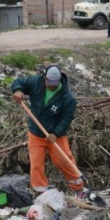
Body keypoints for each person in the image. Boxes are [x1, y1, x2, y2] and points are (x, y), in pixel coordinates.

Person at [10, 65, 87, 197]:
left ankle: (79, 188)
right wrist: (17, 90)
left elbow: (66, 119)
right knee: (36, 163)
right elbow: (19, 82)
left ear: (59, 81)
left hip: (56, 135)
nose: (51, 86)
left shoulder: (68, 98)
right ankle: (40, 192)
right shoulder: (35, 82)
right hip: (36, 133)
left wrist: (56, 133)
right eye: (49, 83)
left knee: (63, 160)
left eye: (54, 84)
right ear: (45, 78)